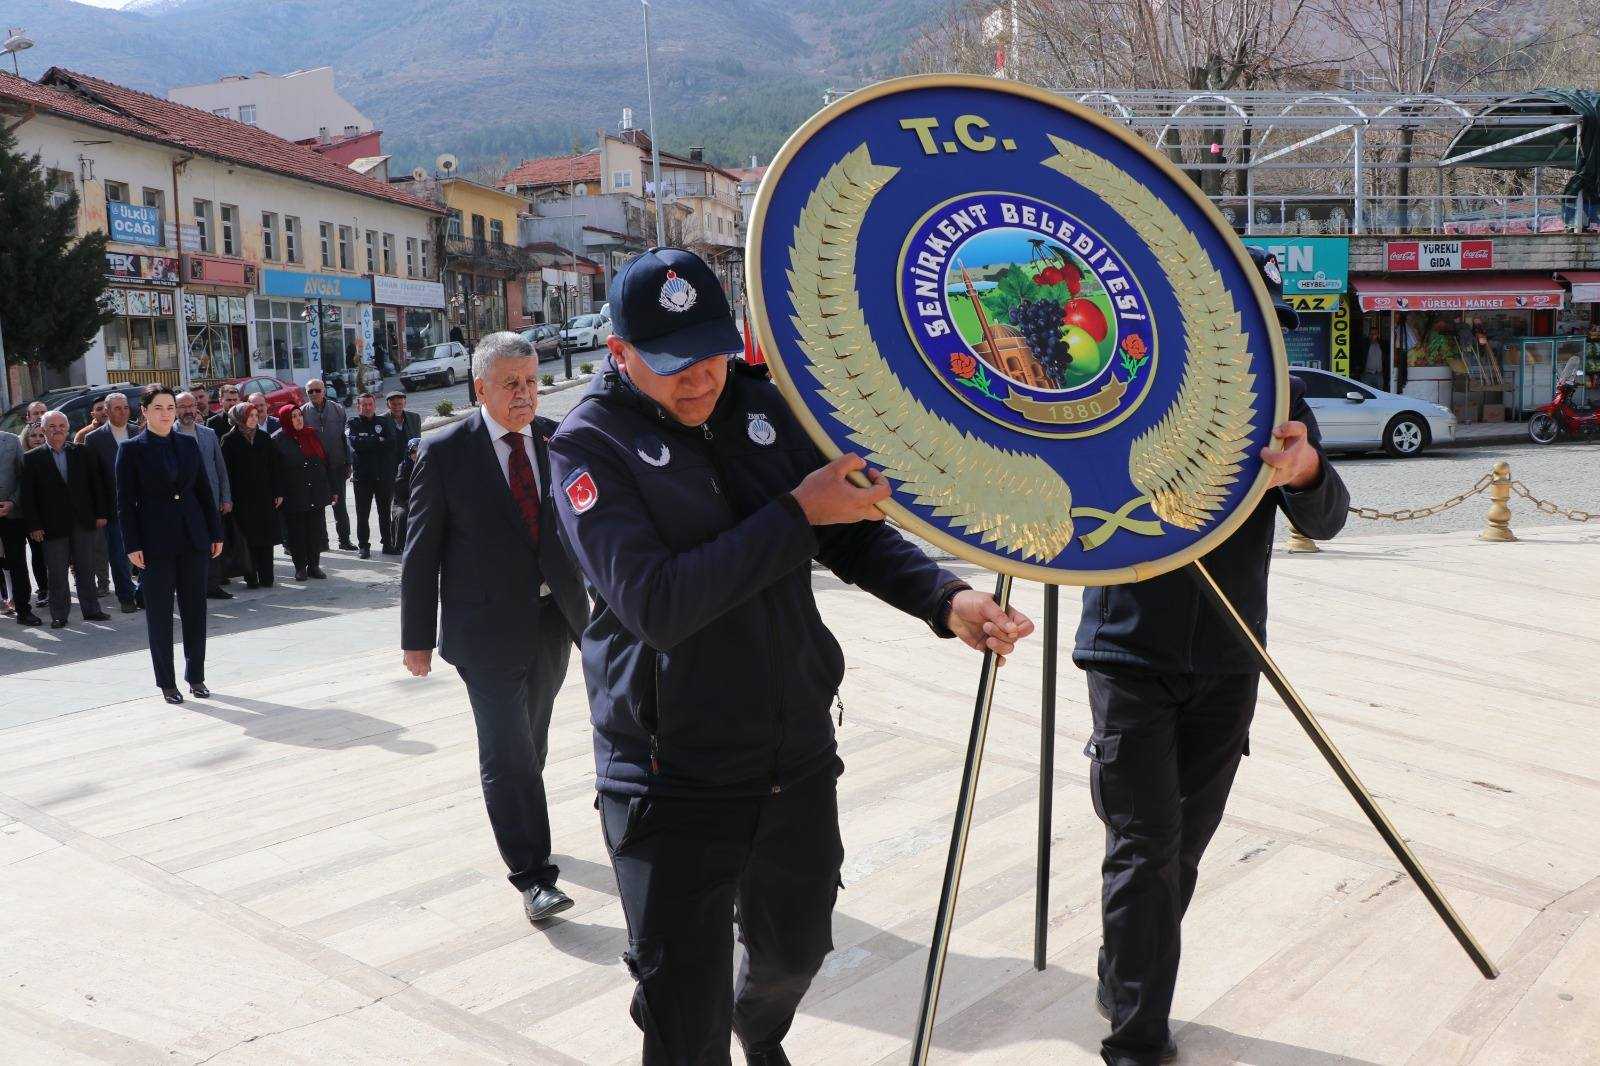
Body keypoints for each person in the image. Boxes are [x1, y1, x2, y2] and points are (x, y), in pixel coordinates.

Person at [548, 248, 1034, 1065]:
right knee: (683, 1022)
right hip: (672, 775)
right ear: (619, 353)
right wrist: (794, 512)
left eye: (711, 355)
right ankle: (680, 997)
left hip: (793, 754)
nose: (700, 380)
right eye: (672, 366)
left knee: (795, 952)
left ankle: (754, 1024)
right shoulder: (589, 447)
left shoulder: (763, 407)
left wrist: (947, 601)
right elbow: (657, 605)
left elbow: (847, 527)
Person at [1073, 247, 1350, 1066]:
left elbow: (1326, 518)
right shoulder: (1122, 391)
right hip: (1129, 650)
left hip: (1230, 659)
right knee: (1144, 847)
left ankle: (1122, 969)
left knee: (1181, 848)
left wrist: (1305, 472)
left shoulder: (1283, 401)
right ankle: (1136, 1039)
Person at [401, 332, 591, 925]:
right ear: (480, 387)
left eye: (532, 382)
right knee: (507, 750)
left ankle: (520, 817)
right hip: (482, 631)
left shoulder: (556, 441)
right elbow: (420, 552)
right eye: (511, 384)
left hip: (552, 620)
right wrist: (416, 638)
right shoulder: (444, 451)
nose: (525, 395)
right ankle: (533, 875)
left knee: (529, 739)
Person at [117, 385, 224, 705]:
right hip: (154, 543)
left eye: (170, 407)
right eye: (159, 408)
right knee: (160, 616)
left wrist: (215, 532)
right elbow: (124, 503)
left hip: (192, 538)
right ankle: (167, 682)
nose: (166, 413)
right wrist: (132, 543)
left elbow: (205, 492)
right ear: (145, 412)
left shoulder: (188, 444)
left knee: (195, 611)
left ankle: (197, 677)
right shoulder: (132, 450)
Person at [18, 411, 111, 628]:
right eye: (52, 426)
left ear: (67, 428)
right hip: (52, 525)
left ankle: (92, 610)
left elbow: (96, 485)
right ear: (43, 429)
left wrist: (101, 513)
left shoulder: (82, 452)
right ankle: (59, 614)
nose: (57, 429)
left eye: (61, 425)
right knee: (57, 573)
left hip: (83, 521)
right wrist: (34, 525)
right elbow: (28, 496)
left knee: (86, 568)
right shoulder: (32, 458)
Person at [83, 393, 142, 613]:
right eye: (117, 408)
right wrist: (99, 512)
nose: (123, 412)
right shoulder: (95, 439)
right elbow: (94, 480)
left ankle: (143, 594)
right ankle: (126, 597)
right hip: (113, 507)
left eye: (125, 407)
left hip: (142, 505)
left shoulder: (139, 431)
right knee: (119, 555)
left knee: (147, 552)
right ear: (106, 411)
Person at [175, 391, 234, 600]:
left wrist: (226, 497)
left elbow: (220, 469)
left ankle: (213, 584)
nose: (188, 410)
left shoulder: (208, 434)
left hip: (210, 499)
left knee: (214, 541)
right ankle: (191, 586)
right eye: (182, 406)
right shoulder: (169, 435)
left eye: (191, 405)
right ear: (174, 409)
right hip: (183, 503)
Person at [220, 402, 283, 588]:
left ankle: (267, 576)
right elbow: (226, 472)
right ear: (240, 418)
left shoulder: (264, 438)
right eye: (250, 415)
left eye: (256, 415)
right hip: (242, 499)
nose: (254, 419)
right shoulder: (229, 440)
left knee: (265, 538)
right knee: (247, 539)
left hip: (264, 496)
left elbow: (274, 467)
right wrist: (227, 497)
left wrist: (278, 491)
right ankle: (251, 576)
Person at [271, 403, 333, 581]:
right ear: (286, 420)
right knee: (297, 533)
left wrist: (331, 489)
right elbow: (275, 471)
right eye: (293, 416)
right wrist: (279, 493)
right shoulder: (279, 440)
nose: (298, 419)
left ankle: (314, 565)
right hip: (293, 494)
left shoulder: (312, 434)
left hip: (315, 491)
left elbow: (325, 462)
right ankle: (300, 567)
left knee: (315, 531)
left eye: (299, 415)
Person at [301, 378, 355, 551]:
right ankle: (322, 542)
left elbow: (344, 438)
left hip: (337, 465)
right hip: (315, 468)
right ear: (306, 393)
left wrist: (348, 462)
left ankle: (344, 540)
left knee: (340, 506)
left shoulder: (338, 409)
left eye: (318, 390)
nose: (314, 394)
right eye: (311, 391)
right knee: (318, 506)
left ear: (324, 390)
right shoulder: (302, 412)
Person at [345, 393, 396, 558]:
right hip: (363, 477)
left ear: (374, 405)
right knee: (363, 513)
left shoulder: (384, 422)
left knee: (384, 512)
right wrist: (377, 440)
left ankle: (387, 544)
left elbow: (391, 444)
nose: (367, 407)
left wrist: (368, 440)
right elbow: (355, 444)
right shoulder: (353, 423)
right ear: (358, 406)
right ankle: (364, 546)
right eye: (363, 405)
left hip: (382, 475)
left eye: (370, 404)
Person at [0, 426, 41, 626]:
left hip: (12, 514)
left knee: (17, 563)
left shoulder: (11, 441)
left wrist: (13, 502)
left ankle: (24, 610)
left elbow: (21, 477)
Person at [19, 421, 50, 607]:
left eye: (41, 435)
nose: (37, 439)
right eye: (33, 436)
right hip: (30, 515)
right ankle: (43, 589)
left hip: (51, 514)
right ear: (26, 438)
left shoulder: (51, 455)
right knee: (38, 553)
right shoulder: (23, 458)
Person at [390, 437, 420, 549]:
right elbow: (399, 489)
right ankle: (401, 547)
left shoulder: (427, 465)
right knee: (402, 515)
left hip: (422, 500)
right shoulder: (403, 467)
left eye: (418, 451)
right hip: (403, 501)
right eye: (413, 451)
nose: (415, 454)